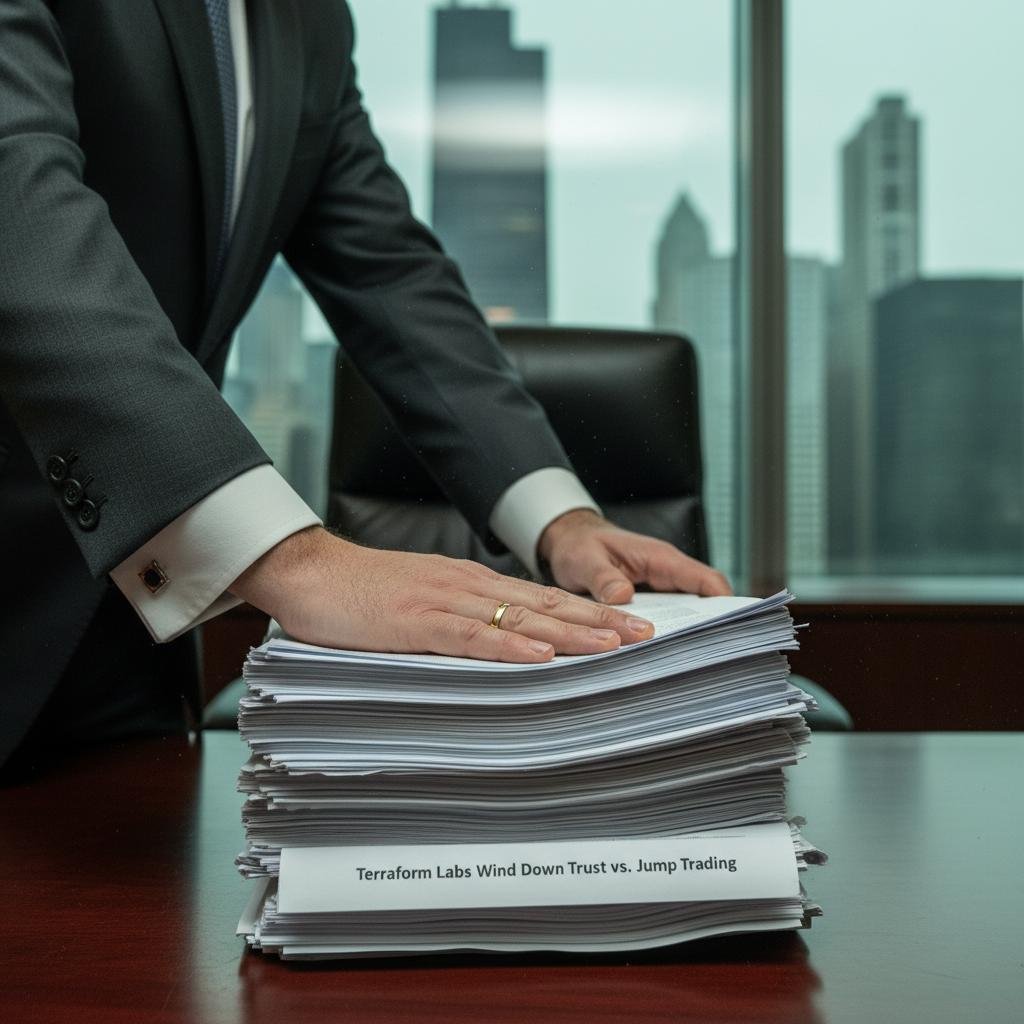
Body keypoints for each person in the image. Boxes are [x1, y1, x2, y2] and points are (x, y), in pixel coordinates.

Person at [0, 0, 729, 768]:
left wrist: (561, 523)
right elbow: (21, 216)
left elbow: (391, 275)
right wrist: (296, 562)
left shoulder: (307, 22)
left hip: (137, 626)